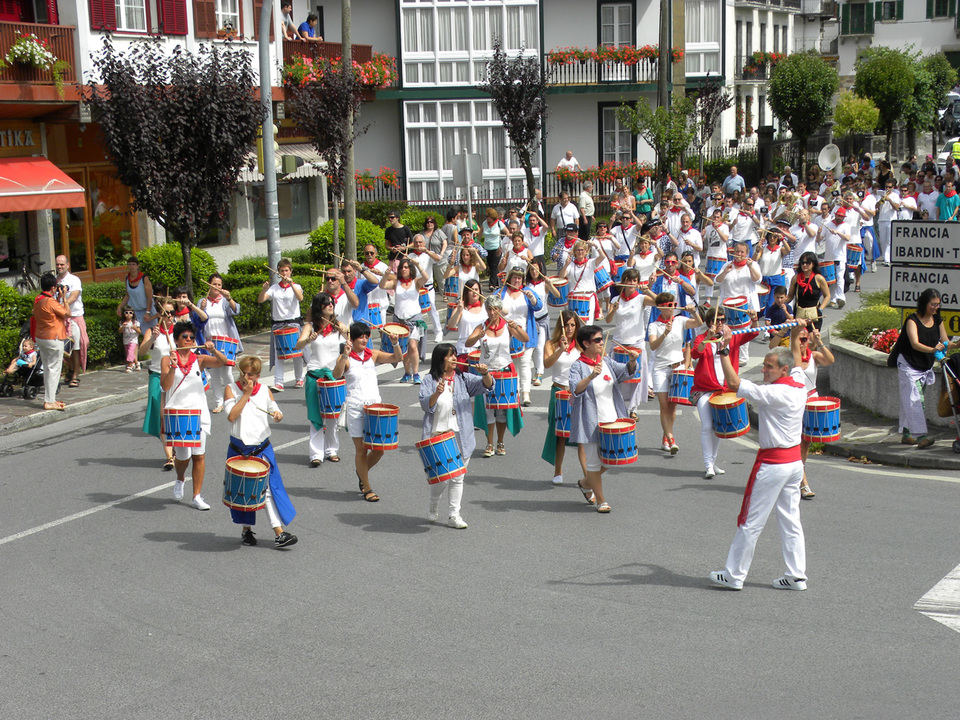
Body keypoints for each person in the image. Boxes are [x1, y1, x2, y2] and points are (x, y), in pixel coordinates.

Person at [709, 322, 810, 592]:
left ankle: (734, 575)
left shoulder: (774, 393)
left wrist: (723, 349)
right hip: (794, 464)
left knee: (751, 521)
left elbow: (733, 383)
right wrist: (795, 333)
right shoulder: (798, 383)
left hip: (774, 464)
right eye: (764, 365)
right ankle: (797, 575)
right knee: (790, 520)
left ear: (783, 370)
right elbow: (796, 359)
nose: (764, 370)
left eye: (769, 367)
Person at [224, 355, 298, 548]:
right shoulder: (231, 389)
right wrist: (246, 395)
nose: (246, 377)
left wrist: (278, 415)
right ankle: (246, 530)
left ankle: (279, 533)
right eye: (243, 373)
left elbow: (275, 409)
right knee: (244, 493)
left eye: (251, 374)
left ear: (258, 376)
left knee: (267, 490)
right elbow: (231, 416)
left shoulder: (265, 390)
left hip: (261, 448)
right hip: (239, 449)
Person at [419, 344, 494, 529]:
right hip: (438, 435)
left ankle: (454, 515)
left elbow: (487, 386)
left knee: (458, 477)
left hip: (461, 435)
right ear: (441, 359)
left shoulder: (463, 378)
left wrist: (485, 373)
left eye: (455, 355)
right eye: (450, 356)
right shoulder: (429, 380)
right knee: (442, 478)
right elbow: (425, 404)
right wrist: (437, 393)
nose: (454, 359)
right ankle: (434, 502)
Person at [568, 324, 639, 514]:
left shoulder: (606, 361)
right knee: (593, 462)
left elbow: (626, 372)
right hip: (590, 421)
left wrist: (632, 361)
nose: (601, 343)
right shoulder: (578, 366)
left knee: (611, 459)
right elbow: (575, 389)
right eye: (597, 340)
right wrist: (591, 376)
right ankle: (601, 500)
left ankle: (585, 483)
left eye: (601, 339)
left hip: (613, 419)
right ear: (586, 343)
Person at [161, 320, 228, 510]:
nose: (189, 340)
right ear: (176, 340)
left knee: (199, 455)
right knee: (183, 457)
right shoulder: (167, 359)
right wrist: (173, 367)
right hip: (178, 413)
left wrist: (213, 350)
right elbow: (165, 386)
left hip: (198, 413)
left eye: (192, 337)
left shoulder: (199, 359)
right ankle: (180, 477)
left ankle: (196, 496)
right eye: (185, 337)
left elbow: (223, 362)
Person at [333, 322, 403, 502]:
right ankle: (367, 487)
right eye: (360, 337)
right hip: (356, 407)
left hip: (375, 408)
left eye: (366, 337)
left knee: (379, 449)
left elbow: (397, 358)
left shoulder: (373, 355)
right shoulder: (347, 357)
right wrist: (344, 355)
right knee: (361, 450)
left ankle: (361, 471)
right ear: (353, 339)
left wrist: (395, 342)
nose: (364, 340)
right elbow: (336, 375)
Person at [691, 306, 759, 478]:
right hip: (705, 390)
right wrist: (707, 339)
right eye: (717, 320)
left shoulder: (731, 336)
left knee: (718, 428)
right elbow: (695, 354)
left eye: (723, 320)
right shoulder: (701, 338)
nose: (721, 323)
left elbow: (753, 333)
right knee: (707, 427)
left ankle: (712, 462)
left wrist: (754, 319)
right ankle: (708, 465)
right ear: (709, 323)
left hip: (724, 390)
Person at [889, 289, 959, 448]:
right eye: (932, 304)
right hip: (908, 364)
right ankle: (921, 437)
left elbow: (946, 342)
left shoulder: (937, 320)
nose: (935, 307)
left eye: (938, 304)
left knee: (911, 399)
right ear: (924, 303)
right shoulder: (912, 320)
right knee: (916, 400)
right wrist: (933, 350)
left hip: (924, 366)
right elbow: (915, 344)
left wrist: (956, 345)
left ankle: (907, 435)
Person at [465, 294, 527, 457]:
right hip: (487, 371)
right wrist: (477, 336)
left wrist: (516, 328)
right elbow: (468, 343)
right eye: (489, 309)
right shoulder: (482, 327)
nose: (492, 313)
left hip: (505, 370)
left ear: (500, 310)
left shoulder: (507, 326)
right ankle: (489, 443)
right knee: (488, 409)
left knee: (502, 410)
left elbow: (525, 338)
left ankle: (500, 441)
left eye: (495, 309)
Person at [297, 291, 349, 467]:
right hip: (315, 374)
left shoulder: (338, 325)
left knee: (332, 415)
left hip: (334, 374)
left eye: (332, 302)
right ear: (319, 307)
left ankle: (332, 450)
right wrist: (308, 340)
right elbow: (298, 345)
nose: (330, 305)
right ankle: (315, 454)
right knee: (316, 416)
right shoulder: (310, 326)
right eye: (326, 303)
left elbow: (350, 341)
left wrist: (345, 333)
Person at [647, 293, 701, 454]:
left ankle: (666, 436)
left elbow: (699, 323)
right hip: (660, 368)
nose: (672, 308)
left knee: (673, 406)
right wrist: (665, 333)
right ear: (660, 307)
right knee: (664, 406)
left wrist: (693, 311)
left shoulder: (680, 320)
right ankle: (671, 438)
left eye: (673, 305)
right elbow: (653, 346)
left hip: (677, 367)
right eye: (668, 306)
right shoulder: (654, 326)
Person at [541, 310, 583, 485]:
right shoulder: (551, 344)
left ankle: (588, 474)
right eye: (567, 325)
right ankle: (558, 470)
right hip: (558, 392)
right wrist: (560, 350)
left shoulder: (581, 344)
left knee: (581, 435)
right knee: (559, 434)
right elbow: (546, 364)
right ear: (561, 326)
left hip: (576, 392)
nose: (570, 328)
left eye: (573, 325)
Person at [257, 257, 306, 392]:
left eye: (286, 271)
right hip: (278, 324)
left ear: (290, 271)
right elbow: (261, 300)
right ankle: (278, 382)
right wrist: (264, 289)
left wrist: (291, 284)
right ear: (278, 273)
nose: (284, 273)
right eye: (282, 271)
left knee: (296, 352)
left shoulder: (297, 286)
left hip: (293, 322)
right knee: (279, 353)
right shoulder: (274, 288)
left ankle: (299, 378)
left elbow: (300, 298)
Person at [139, 297, 177, 470]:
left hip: (175, 376)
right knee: (161, 416)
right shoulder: (152, 331)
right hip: (156, 376)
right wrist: (152, 339)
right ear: (159, 315)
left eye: (171, 313)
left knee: (174, 413)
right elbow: (141, 351)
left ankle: (177, 447)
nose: (168, 316)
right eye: (165, 313)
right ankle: (169, 456)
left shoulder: (180, 332)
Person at [498, 267, 544, 406]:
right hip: (505, 334)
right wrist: (496, 301)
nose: (516, 280)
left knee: (524, 363)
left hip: (524, 333)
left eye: (519, 278)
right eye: (514, 277)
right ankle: (515, 393)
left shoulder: (526, 292)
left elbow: (539, 306)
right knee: (511, 365)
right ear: (510, 278)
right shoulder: (502, 292)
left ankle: (526, 394)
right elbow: (491, 307)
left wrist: (532, 298)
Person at [198, 273, 242, 412]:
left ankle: (233, 398)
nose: (216, 287)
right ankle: (219, 403)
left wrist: (229, 298)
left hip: (225, 340)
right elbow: (197, 319)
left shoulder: (224, 301)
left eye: (219, 285)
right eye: (214, 284)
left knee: (227, 372)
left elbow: (236, 310)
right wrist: (202, 308)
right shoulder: (202, 301)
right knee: (214, 373)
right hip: (209, 341)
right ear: (209, 285)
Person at [379, 257, 427, 383]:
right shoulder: (396, 282)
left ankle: (416, 373)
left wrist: (418, 264)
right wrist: (386, 275)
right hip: (399, 320)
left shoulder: (416, 282)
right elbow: (382, 285)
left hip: (416, 320)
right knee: (404, 348)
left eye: (406, 267)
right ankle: (407, 372)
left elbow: (426, 277)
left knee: (413, 346)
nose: (404, 270)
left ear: (411, 269)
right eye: (402, 268)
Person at [31, 273, 69, 411]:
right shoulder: (50, 301)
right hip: (53, 337)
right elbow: (67, 313)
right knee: (54, 369)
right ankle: (49, 401)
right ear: (53, 287)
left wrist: (57, 298)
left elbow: (51, 311)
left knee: (47, 369)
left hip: (41, 337)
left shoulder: (38, 299)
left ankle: (50, 398)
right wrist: (64, 298)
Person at [55, 255, 87, 388]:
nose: (59, 267)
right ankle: (70, 370)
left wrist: (62, 304)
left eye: (62, 264)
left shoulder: (74, 280)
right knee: (62, 348)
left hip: (74, 317)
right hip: (60, 318)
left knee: (77, 347)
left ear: (68, 265)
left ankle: (75, 375)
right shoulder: (54, 280)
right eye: (57, 264)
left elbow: (74, 296)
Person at [785, 252, 830, 330]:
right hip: (799, 314)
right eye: (802, 263)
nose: (805, 265)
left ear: (813, 264)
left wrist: (820, 309)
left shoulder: (819, 278)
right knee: (799, 336)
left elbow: (827, 296)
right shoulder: (795, 278)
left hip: (814, 314)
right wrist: (780, 302)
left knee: (813, 336)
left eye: (808, 263)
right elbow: (790, 296)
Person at [117, 256, 155, 331]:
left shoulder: (144, 278)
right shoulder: (127, 278)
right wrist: (120, 306)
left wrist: (148, 312)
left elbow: (149, 297)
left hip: (147, 311)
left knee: (151, 333)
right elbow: (128, 295)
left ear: (138, 266)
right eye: (129, 264)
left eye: (133, 264)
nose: (131, 266)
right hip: (135, 313)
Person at [480, 208, 507, 289]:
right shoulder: (485, 223)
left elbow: (507, 232)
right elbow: (480, 232)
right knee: (490, 266)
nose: (486, 217)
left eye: (487, 216)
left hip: (496, 248)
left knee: (494, 266)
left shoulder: (499, 223)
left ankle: (491, 284)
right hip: (487, 248)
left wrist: (502, 245)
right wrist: (478, 242)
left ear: (492, 216)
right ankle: (497, 283)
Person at [119, 308, 141, 373]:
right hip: (126, 340)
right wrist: (123, 327)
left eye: (130, 313)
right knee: (130, 353)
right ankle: (136, 363)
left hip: (133, 340)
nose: (128, 314)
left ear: (133, 314)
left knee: (130, 351)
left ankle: (130, 365)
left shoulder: (135, 322)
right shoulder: (122, 322)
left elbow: (139, 331)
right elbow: (120, 331)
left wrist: (135, 328)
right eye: (126, 313)